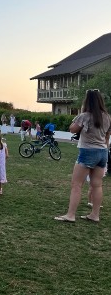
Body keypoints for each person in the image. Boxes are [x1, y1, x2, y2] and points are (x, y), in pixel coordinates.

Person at [55, 89, 111, 223]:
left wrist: (80, 113)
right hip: (102, 152)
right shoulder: (108, 116)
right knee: (97, 185)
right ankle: (95, 215)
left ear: (87, 101)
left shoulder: (85, 116)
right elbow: (107, 136)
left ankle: (70, 215)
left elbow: (72, 129)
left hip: (87, 151)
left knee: (76, 184)